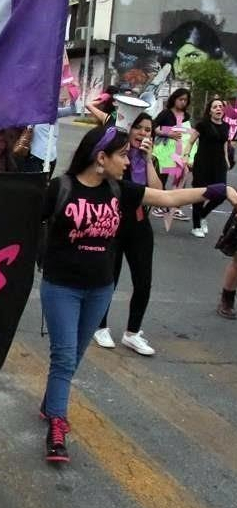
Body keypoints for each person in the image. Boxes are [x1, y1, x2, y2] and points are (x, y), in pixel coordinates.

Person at [39, 124, 237, 464]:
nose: (128, 161)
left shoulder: (119, 190)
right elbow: (18, 221)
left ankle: (50, 404)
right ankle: (57, 424)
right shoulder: (61, 189)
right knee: (65, 356)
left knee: (74, 356)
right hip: (61, 288)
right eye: (121, 155)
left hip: (100, 288)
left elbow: (168, 198)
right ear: (100, 158)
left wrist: (220, 189)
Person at [92, 113, 163, 355]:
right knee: (108, 278)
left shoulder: (148, 159)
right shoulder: (117, 158)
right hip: (113, 224)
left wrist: (149, 160)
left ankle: (133, 333)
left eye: (148, 130)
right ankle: (100, 326)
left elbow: (159, 193)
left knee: (143, 281)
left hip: (140, 225)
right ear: (129, 129)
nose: (143, 134)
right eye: (139, 128)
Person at [185, 98, 230, 237]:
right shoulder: (202, 125)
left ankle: (203, 215)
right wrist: (186, 156)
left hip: (219, 164)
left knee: (221, 194)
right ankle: (196, 226)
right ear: (210, 111)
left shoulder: (226, 126)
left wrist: (227, 160)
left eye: (220, 106)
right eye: (215, 107)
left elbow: (224, 144)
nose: (218, 109)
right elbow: (191, 141)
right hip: (203, 163)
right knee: (200, 194)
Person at [151, 88, 194, 220]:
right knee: (162, 177)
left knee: (181, 177)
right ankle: (159, 205)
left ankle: (176, 208)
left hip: (179, 150)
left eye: (185, 100)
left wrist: (190, 155)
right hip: (164, 149)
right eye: (180, 99)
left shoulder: (186, 116)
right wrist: (168, 133)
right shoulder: (166, 113)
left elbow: (188, 134)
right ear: (174, 99)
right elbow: (154, 127)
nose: (183, 102)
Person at [24, 102, 79, 176]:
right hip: (36, 156)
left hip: (51, 157)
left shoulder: (54, 113)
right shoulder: (31, 113)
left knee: (45, 184)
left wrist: (73, 96)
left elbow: (72, 109)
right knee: (36, 184)